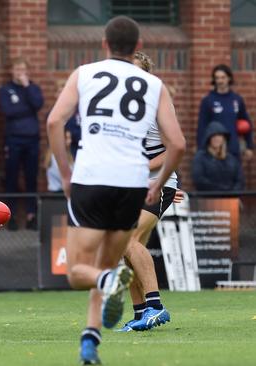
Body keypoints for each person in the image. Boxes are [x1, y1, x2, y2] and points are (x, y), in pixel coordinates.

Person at [47, 16, 185, 364]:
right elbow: (179, 144)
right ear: (138, 47)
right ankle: (90, 342)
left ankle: (131, 294)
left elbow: (53, 122)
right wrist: (158, 179)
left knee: (81, 271)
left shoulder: (84, 73)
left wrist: (65, 174)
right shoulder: (154, 86)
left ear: (104, 45)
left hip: (92, 178)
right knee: (112, 258)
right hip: (132, 183)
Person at [116, 51, 178, 332]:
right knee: (125, 249)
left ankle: (155, 307)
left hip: (157, 184)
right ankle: (141, 312)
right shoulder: (120, 110)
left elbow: (173, 149)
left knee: (129, 240)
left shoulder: (156, 106)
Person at [0, 57, 44, 230]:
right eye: (17, 70)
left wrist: (26, 87)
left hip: (32, 140)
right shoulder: (6, 90)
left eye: (23, 70)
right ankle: (12, 216)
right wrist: (27, 109)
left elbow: (38, 104)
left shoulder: (33, 88)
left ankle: (32, 215)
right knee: (11, 177)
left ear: (27, 72)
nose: (20, 73)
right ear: (12, 71)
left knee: (31, 178)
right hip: (13, 140)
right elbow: (8, 111)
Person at [197, 64, 253, 162]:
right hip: (213, 151)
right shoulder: (208, 100)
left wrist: (249, 146)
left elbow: (246, 123)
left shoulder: (237, 100)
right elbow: (202, 126)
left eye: (223, 77)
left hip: (233, 149)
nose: (220, 81)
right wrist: (201, 149)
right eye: (217, 78)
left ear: (229, 78)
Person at [192, 121, 244, 191]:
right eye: (213, 135)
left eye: (219, 135)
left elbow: (240, 180)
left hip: (231, 199)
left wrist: (232, 192)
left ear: (224, 138)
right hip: (208, 199)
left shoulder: (232, 159)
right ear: (208, 138)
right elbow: (199, 180)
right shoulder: (200, 157)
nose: (216, 138)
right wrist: (222, 190)